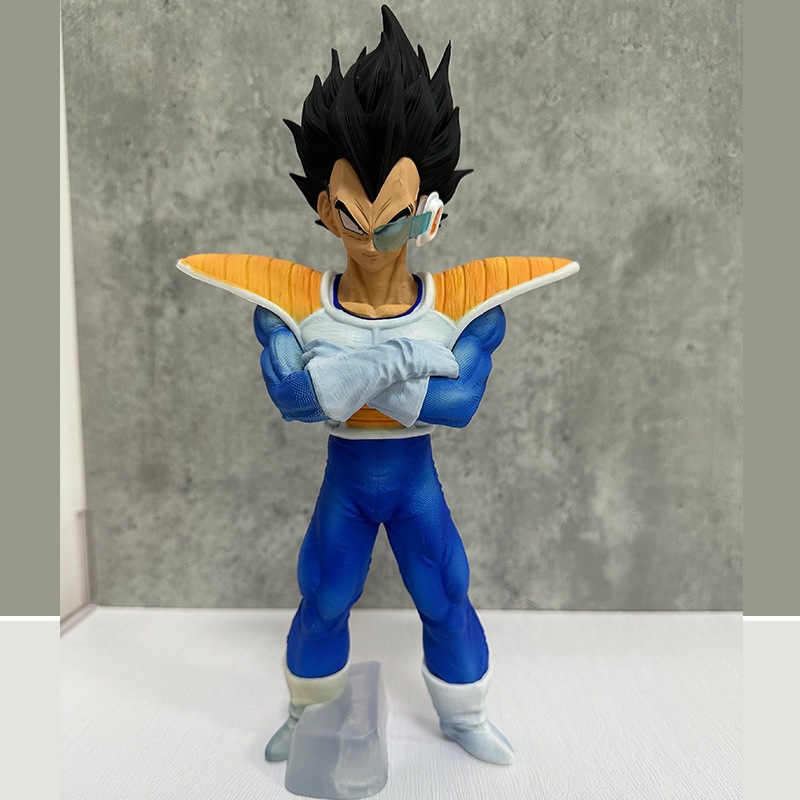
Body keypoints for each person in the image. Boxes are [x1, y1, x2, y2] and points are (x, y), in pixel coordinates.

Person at [178, 5, 577, 766]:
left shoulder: (463, 308)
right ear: (325, 211)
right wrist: (391, 364)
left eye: (390, 219)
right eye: (353, 215)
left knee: (445, 593)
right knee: (325, 594)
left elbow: (459, 404)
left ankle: (464, 715)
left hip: (414, 482)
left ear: (430, 215)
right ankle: (306, 711)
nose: (369, 238)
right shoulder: (290, 305)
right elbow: (295, 399)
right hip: (348, 482)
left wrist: (355, 370)